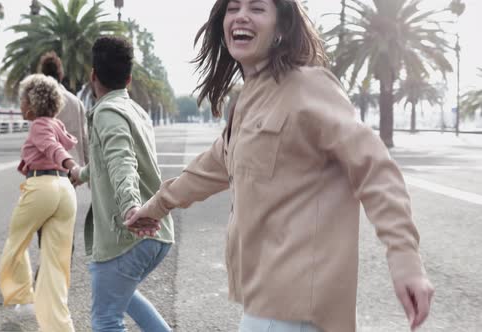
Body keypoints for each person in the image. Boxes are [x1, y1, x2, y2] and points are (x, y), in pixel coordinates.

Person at [125, 1, 435, 332]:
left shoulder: (308, 87)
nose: (241, 15)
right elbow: (212, 166)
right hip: (264, 304)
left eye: (257, 8)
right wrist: (155, 207)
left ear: (283, 27)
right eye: (233, 8)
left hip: (297, 310)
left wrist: (404, 256)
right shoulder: (248, 99)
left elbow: (374, 168)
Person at [69, 36, 174, 332]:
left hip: (128, 233)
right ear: (128, 78)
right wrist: (81, 174)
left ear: (92, 77)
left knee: (106, 320)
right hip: (157, 232)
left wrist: (130, 207)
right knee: (123, 299)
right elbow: (110, 157)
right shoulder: (137, 111)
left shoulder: (106, 112)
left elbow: (122, 161)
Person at [0, 74, 80, 332]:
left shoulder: (39, 126)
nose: (20, 105)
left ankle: (23, 296)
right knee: (55, 263)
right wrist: (69, 168)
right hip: (65, 191)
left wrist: (70, 164)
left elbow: (51, 147)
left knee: (16, 242)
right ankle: (60, 327)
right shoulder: (55, 123)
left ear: (32, 103)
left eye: (21, 100)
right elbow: (58, 143)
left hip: (42, 187)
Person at [34, 51, 90, 280]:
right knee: (64, 219)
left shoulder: (37, 100)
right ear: (61, 73)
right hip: (68, 171)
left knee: (43, 220)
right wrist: (85, 171)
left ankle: (48, 266)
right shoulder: (75, 101)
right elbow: (83, 136)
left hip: (42, 171)